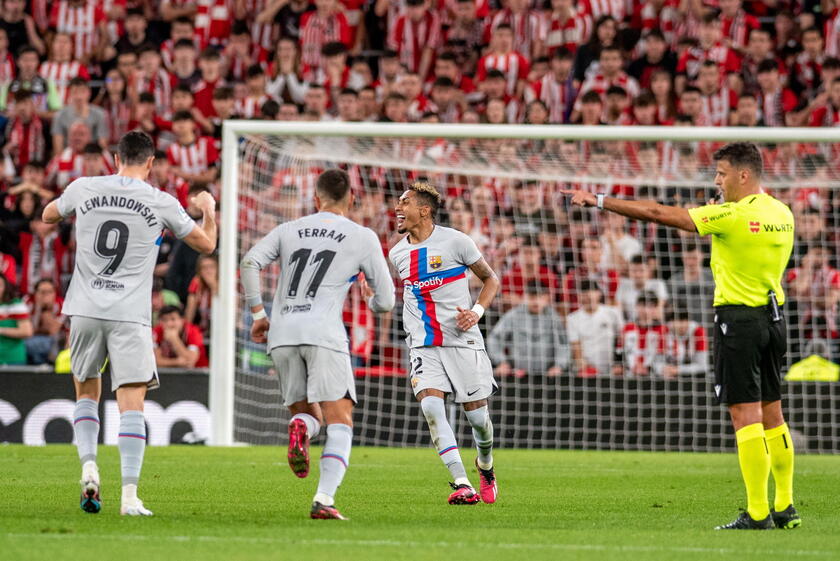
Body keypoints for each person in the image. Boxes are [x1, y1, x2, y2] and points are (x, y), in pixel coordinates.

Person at [562, 142, 798, 530]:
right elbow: (737, 236)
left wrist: (600, 200)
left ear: (743, 174)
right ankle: (785, 507)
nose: (717, 180)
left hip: (738, 321)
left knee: (745, 415)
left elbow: (659, 214)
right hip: (774, 318)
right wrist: (717, 208)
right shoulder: (781, 212)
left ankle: (758, 512)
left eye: (722, 173)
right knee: (774, 413)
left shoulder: (732, 215)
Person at [42, 131, 217, 517]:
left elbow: (48, 214)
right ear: (151, 162)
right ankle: (129, 496)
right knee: (131, 402)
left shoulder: (85, 186)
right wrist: (209, 210)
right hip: (130, 314)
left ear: (115, 158)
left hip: (85, 308)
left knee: (86, 394)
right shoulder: (160, 200)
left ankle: (89, 467)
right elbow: (206, 246)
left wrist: (72, 207)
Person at [239, 169, 394, 520]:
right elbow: (386, 302)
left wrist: (259, 314)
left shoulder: (288, 229)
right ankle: (324, 499)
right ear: (351, 200)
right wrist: (369, 298)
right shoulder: (361, 236)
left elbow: (249, 263)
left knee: (307, 416)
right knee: (340, 420)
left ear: (315, 200)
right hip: (324, 334)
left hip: (282, 334)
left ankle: (301, 429)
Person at [389, 181, 501, 506]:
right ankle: (462, 482)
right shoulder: (397, 254)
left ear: (424, 210)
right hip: (423, 344)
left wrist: (477, 312)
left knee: (479, 421)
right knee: (431, 407)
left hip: (463, 341)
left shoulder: (456, 242)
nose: (398, 208)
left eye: (404, 203)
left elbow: (491, 278)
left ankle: (486, 466)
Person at [488, 279, 569, 377]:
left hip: (547, 375)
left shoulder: (554, 318)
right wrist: (502, 362)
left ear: (547, 298)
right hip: (518, 375)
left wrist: (559, 366)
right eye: (532, 297)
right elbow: (494, 338)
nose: (536, 302)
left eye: (540, 297)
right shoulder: (513, 315)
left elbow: (563, 344)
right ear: (525, 297)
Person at [0, 273, 33, 365]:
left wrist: (1, 330)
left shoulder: (16, 304)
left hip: (12, 359)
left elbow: (27, 332)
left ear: (5, 288)